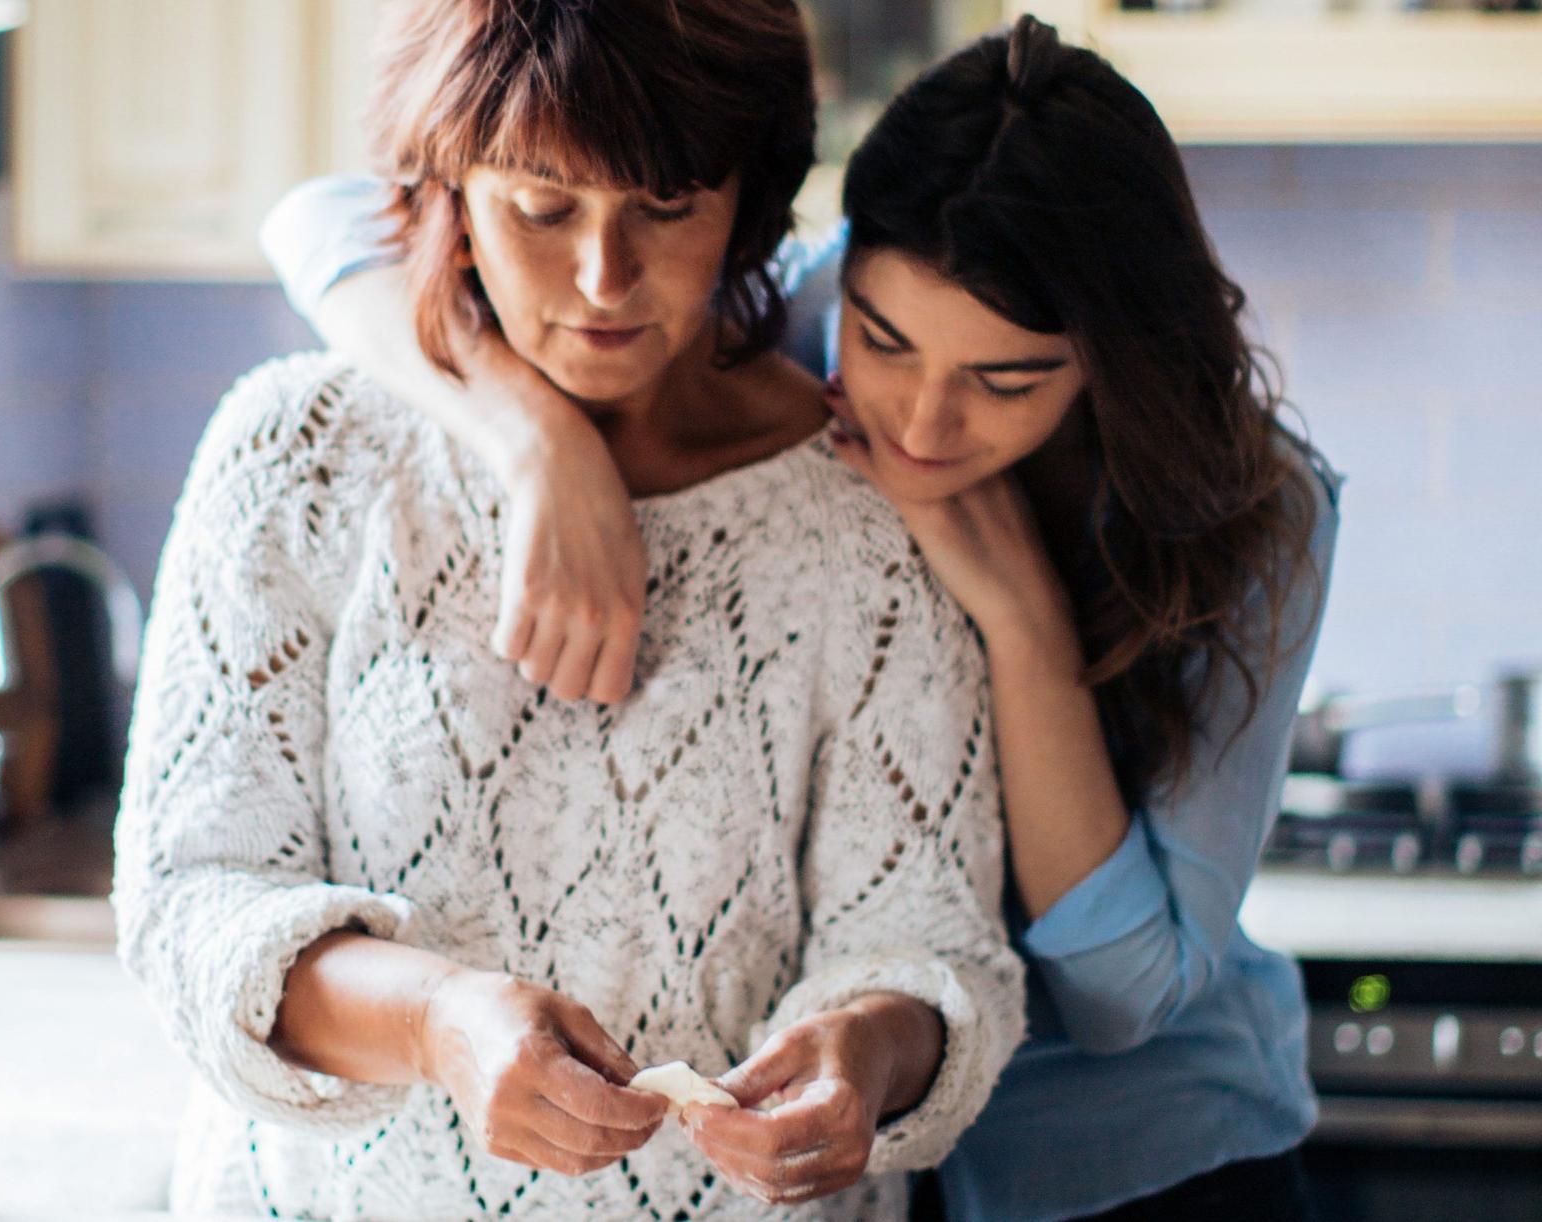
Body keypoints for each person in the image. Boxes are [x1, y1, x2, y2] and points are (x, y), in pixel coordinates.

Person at [259, 15, 1340, 1222]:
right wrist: (532, 441)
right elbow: (327, 221)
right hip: (872, 1174)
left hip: (1128, 1161)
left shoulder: (1256, 507)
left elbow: (1119, 997)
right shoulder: (791, 312)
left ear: (1105, 360)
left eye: (1008, 379)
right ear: (843, 274)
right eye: (882, 344)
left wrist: (1023, 628)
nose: (924, 423)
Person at [113, 1, 1024, 1219]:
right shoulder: (299, 456)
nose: (603, 278)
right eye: (542, 208)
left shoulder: (861, 512)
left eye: (667, 206)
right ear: (449, 186)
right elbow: (189, 900)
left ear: (746, 198)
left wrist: (865, 1048)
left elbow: (933, 940)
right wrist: (438, 1022)